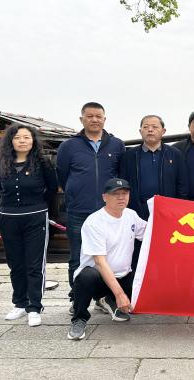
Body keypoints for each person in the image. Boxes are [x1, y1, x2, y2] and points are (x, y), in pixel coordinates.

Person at [56, 102, 125, 311]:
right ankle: (77, 299)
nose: (94, 120)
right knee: (78, 256)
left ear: (105, 119)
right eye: (90, 116)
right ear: (82, 119)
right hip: (79, 210)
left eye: (98, 116)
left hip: (108, 212)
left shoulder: (117, 145)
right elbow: (62, 175)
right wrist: (75, 193)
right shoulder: (69, 146)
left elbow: (120, 176)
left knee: (109, 257)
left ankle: (102, 298)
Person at [0, 124, 58, 327]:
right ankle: (19, 303)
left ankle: (34, 306)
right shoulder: (1, 165)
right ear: (10, 141)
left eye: (27, 137)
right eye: (17, 137)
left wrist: (36, 204)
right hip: (8, 218)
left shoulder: (42, 163)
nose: (22, 141)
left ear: (33, 141)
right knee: (16, 264)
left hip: (35, 218)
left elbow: (52, 188)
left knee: (34, 264)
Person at [67, 178, 147, 340]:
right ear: (104, 197)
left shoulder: (131, 215)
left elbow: (152, 234)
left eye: (125, 193)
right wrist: (120, 294)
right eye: (115, 194)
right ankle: (79, 319)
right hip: (98, 278)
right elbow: (100, 262)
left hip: (123, 276)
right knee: (86, 275)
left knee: (147, 276)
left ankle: (108, 299)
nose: (121, 197)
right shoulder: (94, 222)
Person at [119, 114, 188, 268]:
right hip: (137, 212)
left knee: (167, 253)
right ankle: (136, 283)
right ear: (140, 131)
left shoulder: (175, 154)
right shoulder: (129, 156)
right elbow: (123, 185)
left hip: (167, 214)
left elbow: (182, 186)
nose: (150, 130)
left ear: (163, 131)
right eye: (146, 127)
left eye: (154, 127)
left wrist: (176, 211)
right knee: (137, 254)